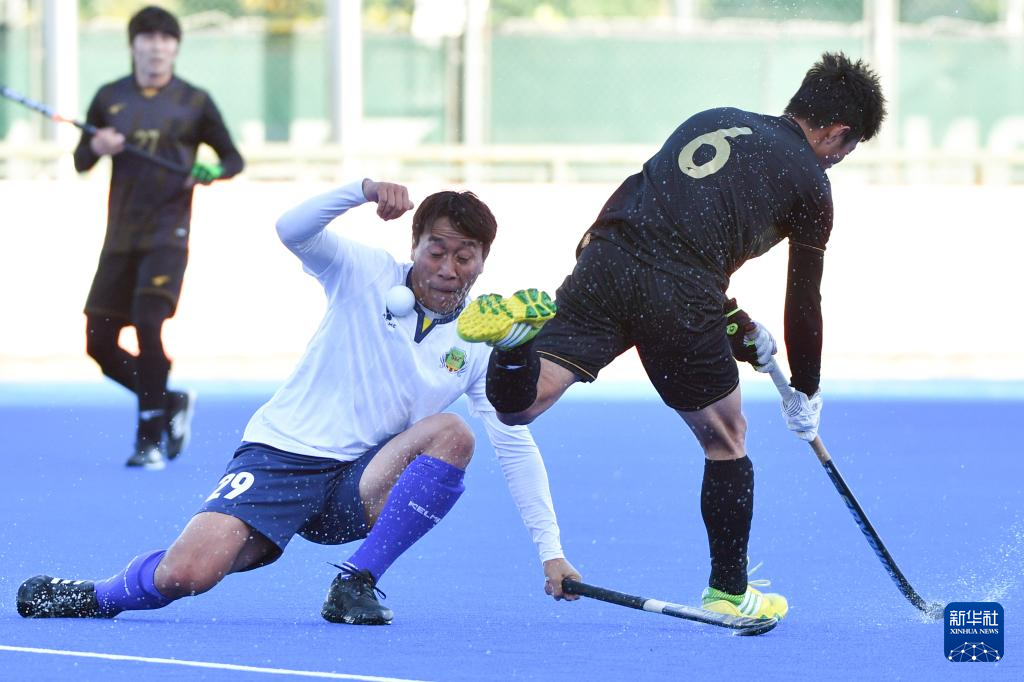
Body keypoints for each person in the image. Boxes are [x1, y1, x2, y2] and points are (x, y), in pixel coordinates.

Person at [17, 178, 580, 625]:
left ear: (483, 261)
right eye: (437, 251)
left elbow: (515, 443)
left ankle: (356, 582)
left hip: (360, 481)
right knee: (186, 574)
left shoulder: (479, 341)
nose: (448, 270)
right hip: (281, 458)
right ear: (414, 246)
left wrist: (550, 552)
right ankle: (97, 595)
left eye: (466, 257)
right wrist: (362, 190)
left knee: (453, 433)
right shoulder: (364, 272)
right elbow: (292, 228)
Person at [457, 52, 886, 620]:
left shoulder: (714, 118)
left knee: (519, 407)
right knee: (727, 437)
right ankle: (729, 593)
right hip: (680, 295)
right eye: (844, 151)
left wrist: (735, 325)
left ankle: (513, 347)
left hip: (607, 259)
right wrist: (806, 388)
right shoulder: (812, 184)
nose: (836, 162)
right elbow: (803, 297)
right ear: (836, 131)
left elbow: (648, 206)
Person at [75, 5, 244, 470]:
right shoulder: (109, 97)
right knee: (98, 342)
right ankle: (169, 400)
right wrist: (96, 146)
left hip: (168, 232)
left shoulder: (194, 101)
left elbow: (233, 159)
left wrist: (209, 170)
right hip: (120, 235)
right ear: (133, 46)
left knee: (149, 324)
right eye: (147, 39)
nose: (156, 47)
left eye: (165, 39)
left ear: (175, 48)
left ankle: (149, 439)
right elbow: (80, 160)